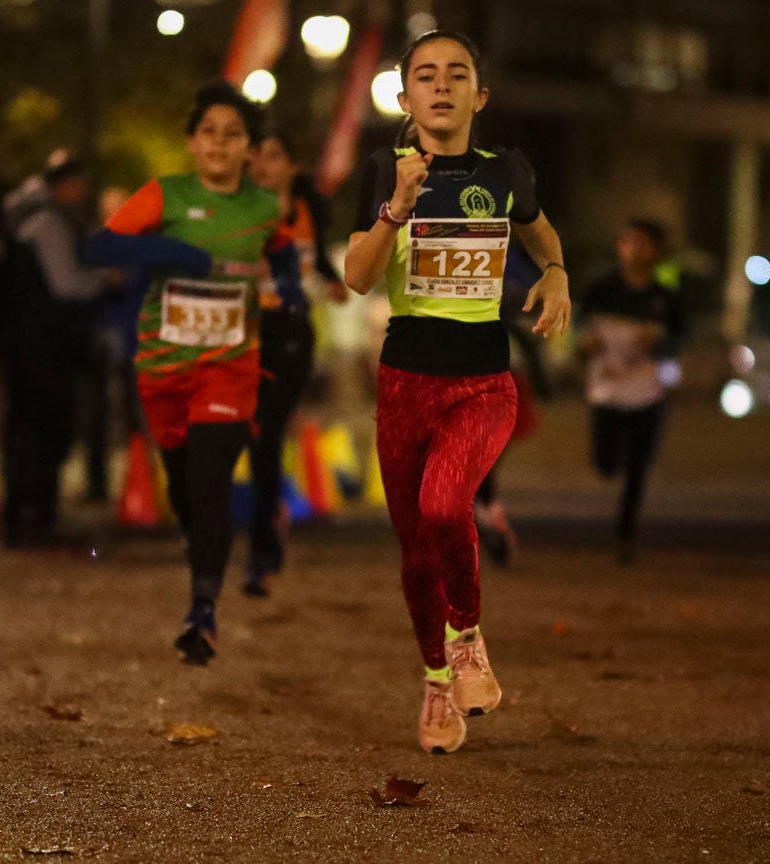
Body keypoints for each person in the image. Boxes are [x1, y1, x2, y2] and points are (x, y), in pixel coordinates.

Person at [343, 30, 571, 754]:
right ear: (405, 97)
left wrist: (557, 272)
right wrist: (396, 208)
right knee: (414, 552)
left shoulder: (505, 171)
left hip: (482, 382)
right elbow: (356, 275)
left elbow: (540, 235)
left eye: (458, 74)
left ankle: (467, 634)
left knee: (446, 504)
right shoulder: (384, 168)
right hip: (406, 380)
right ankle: (437, 678)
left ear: (480, 94)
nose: (442, 87)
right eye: (426, 76)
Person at [86, 81, 303, 664]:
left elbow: (281, 251)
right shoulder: (166, 196)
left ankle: (202, 610)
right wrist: (179, 256)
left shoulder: (261, 206)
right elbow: (98, 250)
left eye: (233, 135)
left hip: (231, 366)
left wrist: (287, 289)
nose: (220, 144)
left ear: (249, 150)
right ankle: (200, 549)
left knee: (210, 481)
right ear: (191, 141)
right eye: (209, 132)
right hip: (164, 365)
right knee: (184, 487)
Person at [242, 131, 347, 597]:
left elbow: (319, 259)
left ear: (290, 167)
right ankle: (269, 526)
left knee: (267, 432)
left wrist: (334, 281)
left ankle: (261, 549)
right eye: (256, 158)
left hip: (291, 334)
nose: (262, 164)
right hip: (245, 333)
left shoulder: (307, 212)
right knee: (256, 436)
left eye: (273, 156)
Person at [0, 150, 117, 548]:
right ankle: (34, 517)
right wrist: (104, 280)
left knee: (25, 429)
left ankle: (24, 516)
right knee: (45, 429)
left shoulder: (24, 217)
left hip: (21, 343)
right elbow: (66, 284)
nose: (81, 193)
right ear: (63, 185)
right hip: (43, 345)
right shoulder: (48, 224)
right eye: (77, 184)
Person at [577, 219, 683, 564]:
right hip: (607, 389)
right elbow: (577, 331)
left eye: (641, 242)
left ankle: (625, 536)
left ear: (656, 251)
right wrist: (585, 345)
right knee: (605, 462)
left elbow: (679, 343)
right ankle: (613, 462)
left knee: (639, 467)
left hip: (646, 392)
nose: (632, 248)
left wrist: (658, 343)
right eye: (627, 241)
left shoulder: (665, 298)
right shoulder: (602, 289)